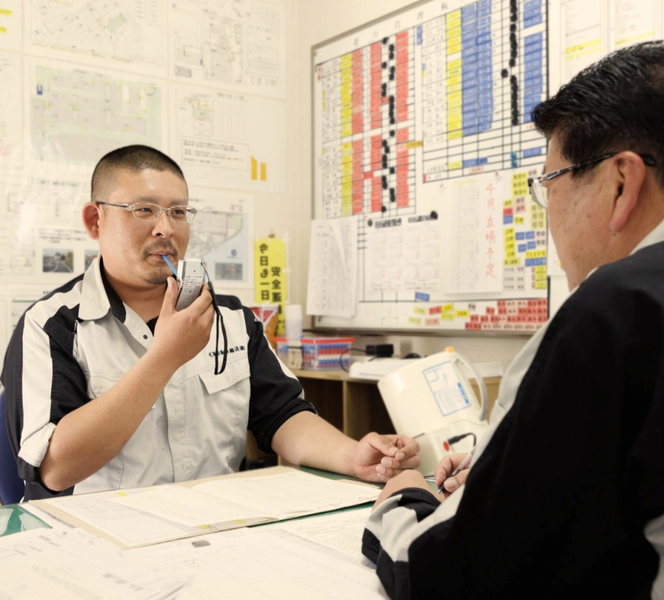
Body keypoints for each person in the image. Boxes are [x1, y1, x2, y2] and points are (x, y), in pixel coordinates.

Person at [362, 40, 664, 598]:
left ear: (621, 182)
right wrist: (515, 466)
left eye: (550, 183)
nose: (549, 214)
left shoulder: (620, 312)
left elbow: (448, 575)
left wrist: (404, 495)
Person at [2, 145, 419, 501]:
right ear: (96, 220)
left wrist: (352, 456)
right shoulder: (50, 325)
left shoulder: (231, 318)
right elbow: (55, 469)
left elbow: (282, 414)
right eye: (144, 210)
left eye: (178, 212)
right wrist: (164, 358)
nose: (165, 228)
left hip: (215, 528)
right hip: (95, 542)